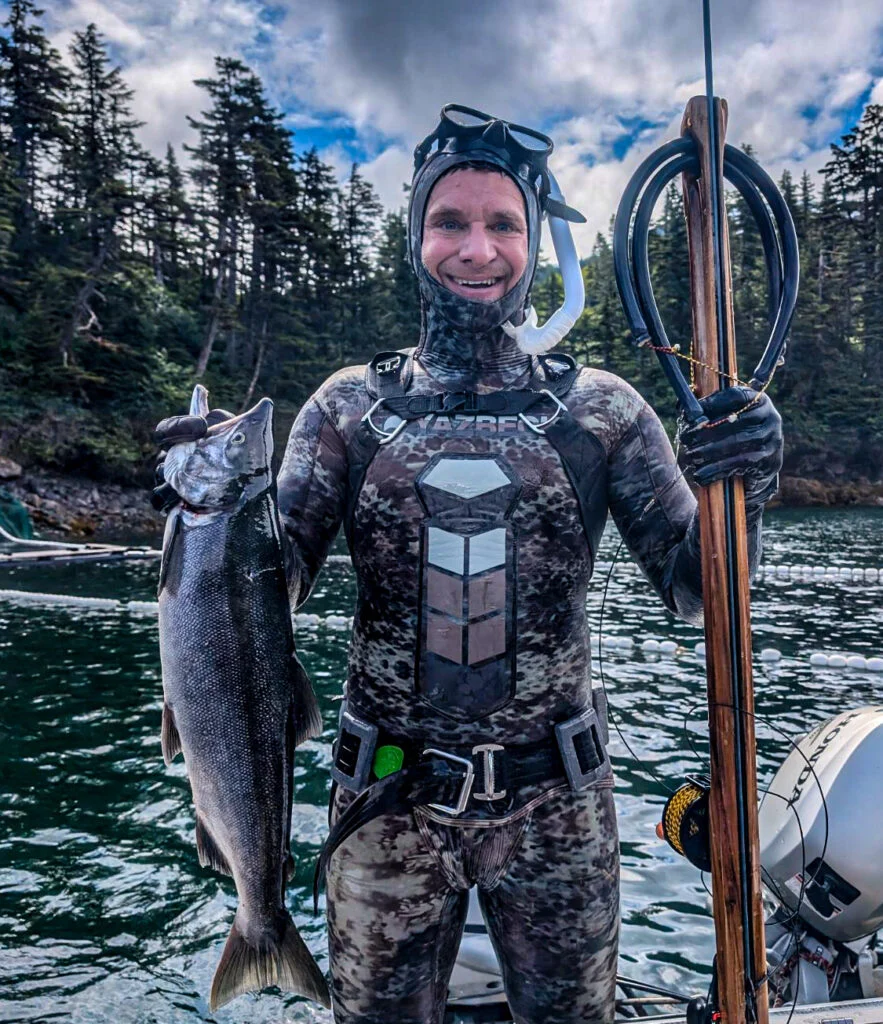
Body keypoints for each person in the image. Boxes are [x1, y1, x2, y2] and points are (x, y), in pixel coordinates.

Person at [154, 105, 783, 1024]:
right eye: (449, 221)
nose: (476, 249)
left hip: (559, 807)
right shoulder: (346, 410)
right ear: (416, 237)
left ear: (534, 243)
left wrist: (748, 485)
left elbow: (699, 593)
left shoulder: (603, 411)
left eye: (502, 224)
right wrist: (200, 513)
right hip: (386, 805)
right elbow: (266, 588)